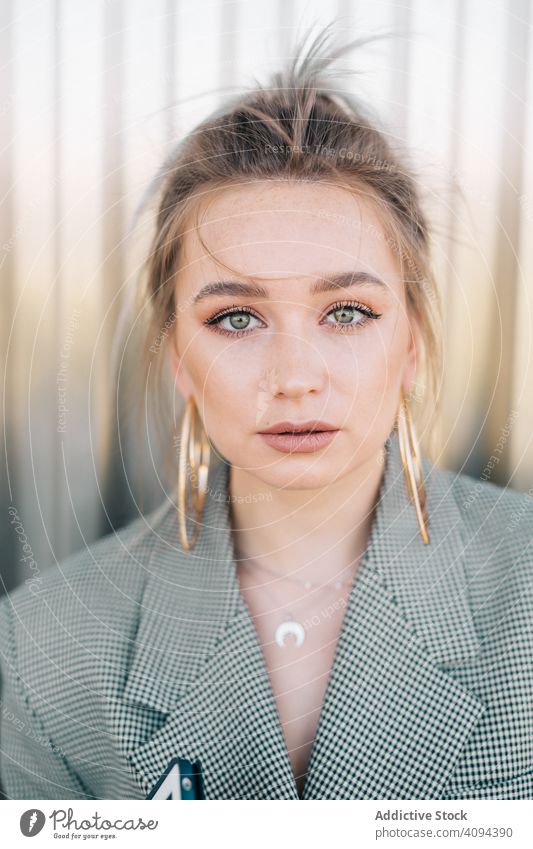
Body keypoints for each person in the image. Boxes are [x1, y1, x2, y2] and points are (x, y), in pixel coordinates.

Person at [1, 24, 532, 801]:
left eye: (347, 312)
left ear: (412, 341)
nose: (293, 379)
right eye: (236, 318)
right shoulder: (42, 646)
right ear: (176, 354)